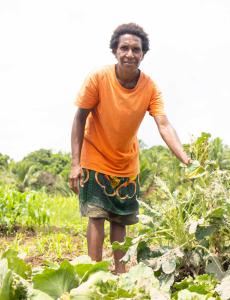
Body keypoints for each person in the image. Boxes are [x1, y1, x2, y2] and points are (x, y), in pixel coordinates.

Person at [69, 23, 191, 274]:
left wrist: (185, 158)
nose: (130, 54)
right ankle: (94, 273)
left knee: (120, 220)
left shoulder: (150, 87)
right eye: (124, 48)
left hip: (126, 162)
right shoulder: (98, 78)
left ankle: (120, 273)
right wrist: (75, 163)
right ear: (114, 50)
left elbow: (164, 124)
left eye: (136, 49)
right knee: (96, 215)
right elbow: (79, 118)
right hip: (94, 155)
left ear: (143, 54)